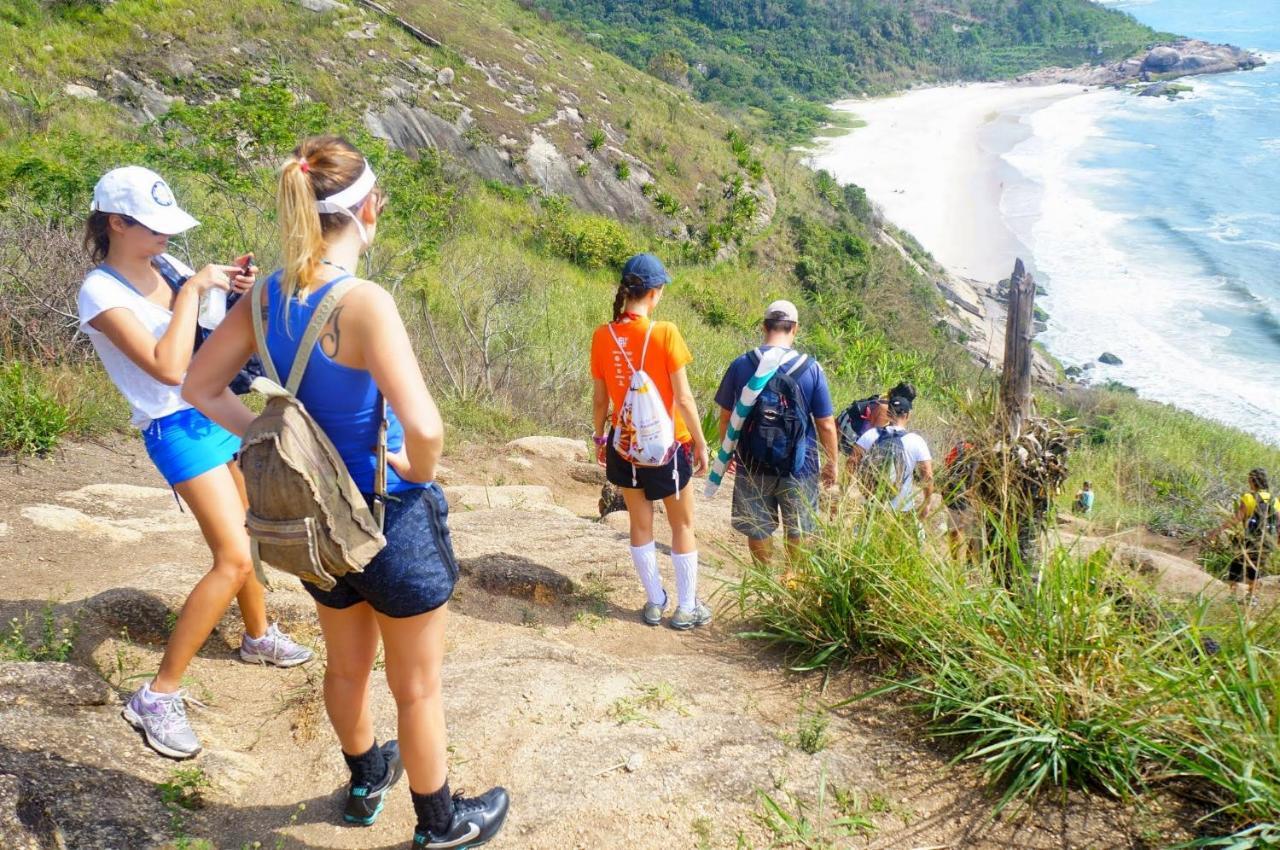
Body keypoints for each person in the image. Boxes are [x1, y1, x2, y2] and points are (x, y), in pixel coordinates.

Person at [183, 136, 508, 847]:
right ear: (367, 208)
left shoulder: (266, 295)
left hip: (315, 528)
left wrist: (267, 437)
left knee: (347, 666)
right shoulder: (361, 302)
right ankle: (441, 823)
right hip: (384, 516)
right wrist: (414, 473)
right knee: (416, 687)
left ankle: (365, 782)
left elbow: (198, 386)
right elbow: (424, 427)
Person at [76, 166, 312, 760]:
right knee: (232, 558)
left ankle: (257, 636)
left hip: (214, 405)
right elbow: (166, 364)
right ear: (117, 223)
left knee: (254, 530)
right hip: (175, 425)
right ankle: (157, 695)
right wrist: (189, 293)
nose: (165, 239)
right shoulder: (101, 292)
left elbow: (211, 338)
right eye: (152, 228)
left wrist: (229, 292)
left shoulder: (168, 267)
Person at [591, 253, 711, 630]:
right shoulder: (664, 333)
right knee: (682, 526)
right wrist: (701, 443)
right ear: (655, 293)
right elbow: (684, 399)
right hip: (668, 448)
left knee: (639, 525)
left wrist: (599, 437)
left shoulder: (602, 335)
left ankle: (655, 600)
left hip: (624, 445)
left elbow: (600, 399)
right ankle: (687, 607)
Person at [715, 300, 838, 566]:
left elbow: (725, 417)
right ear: (795, 328)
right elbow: (826, 424)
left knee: (757, 526)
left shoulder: (742, 364)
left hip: (752, 462)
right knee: (800, 528)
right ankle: (792, 578)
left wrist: (728, 455)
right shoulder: (811, 368)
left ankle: (765, 576)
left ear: (764, 326)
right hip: (800, 466)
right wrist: (832, 463)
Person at [853, 394, 934, 518]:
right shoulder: (916, 441)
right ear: (907, 415)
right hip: (901, 509)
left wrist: (845, 491)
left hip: (871, 505)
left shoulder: (871, 435)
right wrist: (927, 503)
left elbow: (852, 461)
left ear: (888, 413)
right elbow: (927, 475)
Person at [1207, 468, 1277, 604]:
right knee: (1256, 568)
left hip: (1251, 539)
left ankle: (1232, 595)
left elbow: (1236, 519)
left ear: (1253, 480)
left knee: (1236, 564)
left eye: (1249, 479)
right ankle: (1252, 597)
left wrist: (1217, 531)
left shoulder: (1249, 497)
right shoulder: (1274, 500)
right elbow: (1278, 522)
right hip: (1267, 541)